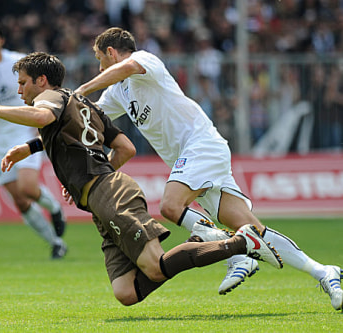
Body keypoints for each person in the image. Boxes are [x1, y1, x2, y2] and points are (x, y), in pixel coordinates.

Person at [0, 51, 283, 306]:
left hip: (108, 193)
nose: (19, 90)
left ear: (42, 81)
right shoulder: (82, 103)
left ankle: (240, 242)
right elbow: (124, 147)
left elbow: (44, 116)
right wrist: (38, 151)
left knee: (155, 267)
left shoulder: (49, 98)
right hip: (102, 196)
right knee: (126, 292)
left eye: (23, 83)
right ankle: (199, 244)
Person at [74, 27, 343, 311]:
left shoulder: (144, 60)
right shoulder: (118, 92)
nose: (98, 64)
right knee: (251, 227)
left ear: (111, 52)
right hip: (194, 160)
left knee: (170, 206)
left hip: (200, 146)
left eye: (99, 58)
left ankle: (238, 254)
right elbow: (88, 116)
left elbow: (125, 68)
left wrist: (80, 90)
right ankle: (324, 271)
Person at [0, 21, 67, 259]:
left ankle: (55, 208)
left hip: (24, 132)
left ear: (1, 40)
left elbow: (42, 89)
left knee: (28, 187)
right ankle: (56, 242)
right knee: (19, 200)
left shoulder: (19, 62)